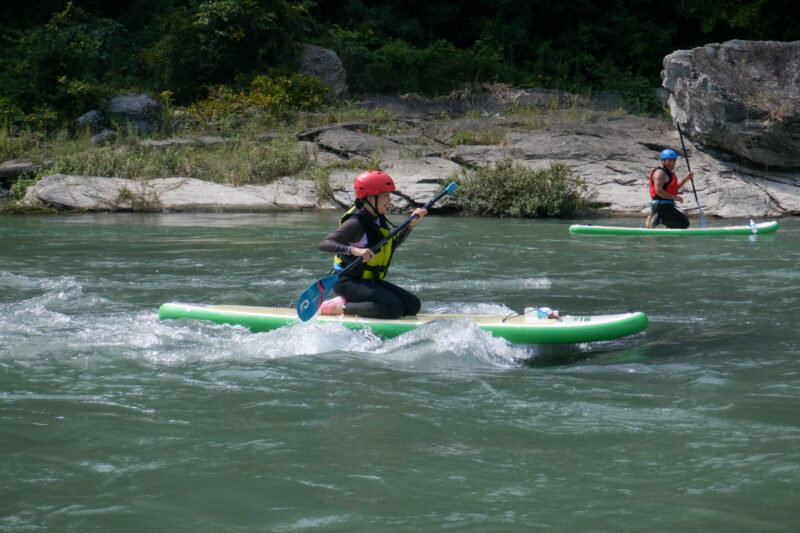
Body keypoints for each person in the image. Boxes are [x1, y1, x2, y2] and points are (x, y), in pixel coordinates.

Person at [316, 170, 428, 318]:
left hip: (367, 281)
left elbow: (390, 246)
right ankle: (339, 307)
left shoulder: (378, 218)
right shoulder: (355, 223)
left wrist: (410, 225)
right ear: (370, 197)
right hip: (347, 282)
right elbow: (324, 244)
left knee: (413, 305)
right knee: (393, 308)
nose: (389, 200)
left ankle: (354, 304)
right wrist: (353, 250)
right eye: (385, 195)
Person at [645, 148, 695, 229]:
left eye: (674, 161)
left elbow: (674, 189)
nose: (672, 163)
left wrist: (686, 179)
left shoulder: (667, 173)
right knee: (684, 223)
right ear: (663, 161)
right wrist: (675, 198)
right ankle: (658, 220)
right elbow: (658, 190)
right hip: (661, 206)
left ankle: (665, 233)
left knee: (681, 221)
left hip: (666, 206)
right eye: (669, 160)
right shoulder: (660, 173)